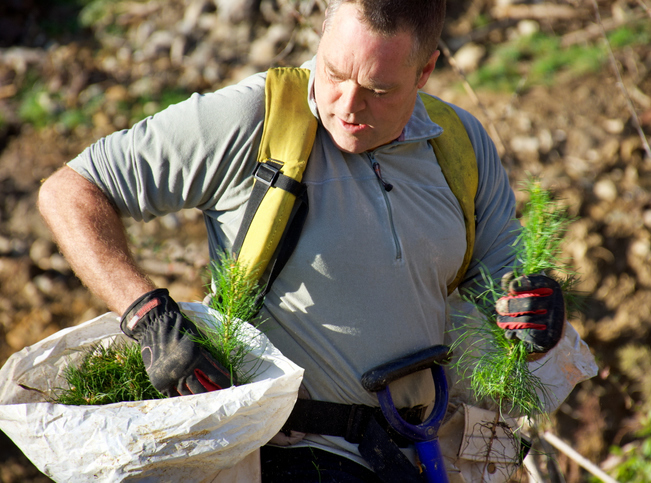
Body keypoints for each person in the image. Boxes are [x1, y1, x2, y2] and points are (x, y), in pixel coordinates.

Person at [37, 0, 568, 481]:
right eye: (334, 73)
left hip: (427, 453)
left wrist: (534, 311)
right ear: (321, 34)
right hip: (296, 456)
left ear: (425, 70)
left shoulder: (460, 142)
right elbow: (71, 191)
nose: (347, 104)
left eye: (379, 90)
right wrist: (147, 316)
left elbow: (506, 281)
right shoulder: (253, 120)